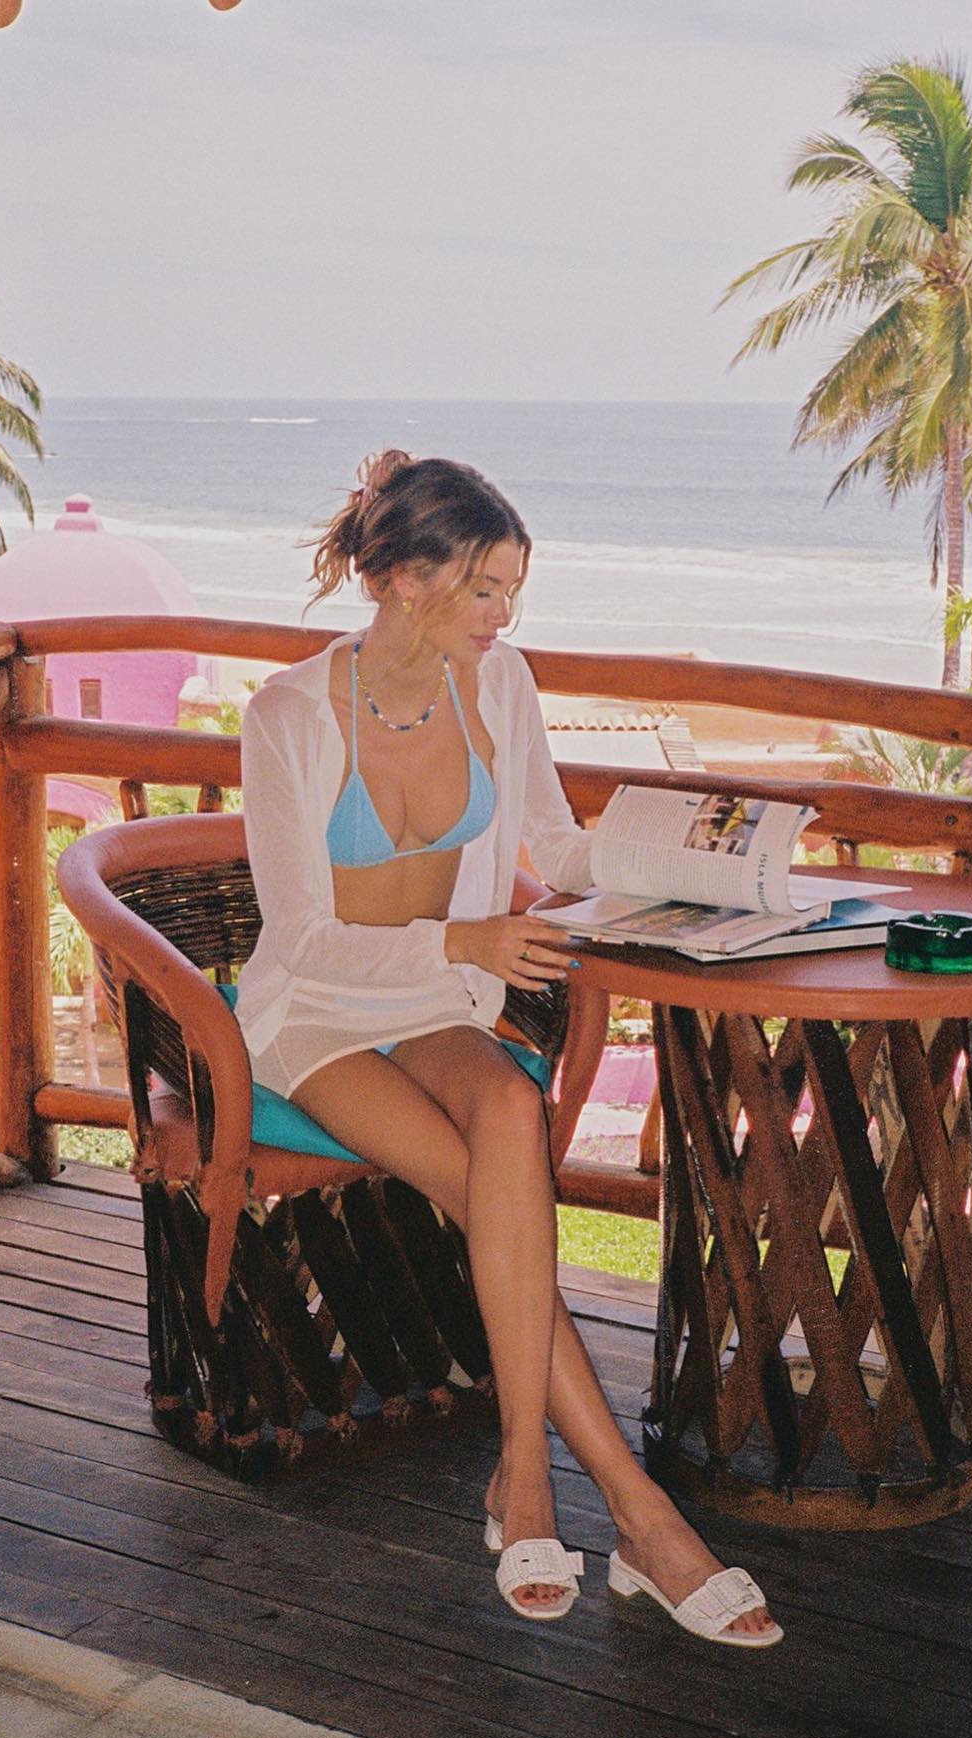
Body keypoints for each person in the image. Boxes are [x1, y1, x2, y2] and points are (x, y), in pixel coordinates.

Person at [234, 450, 780, 1646]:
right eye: (483, 589)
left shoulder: (502, 682)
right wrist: (466, 939)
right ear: (402, 578)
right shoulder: (286, 716)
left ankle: (529, 1471)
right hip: (316, 1015)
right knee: (497, 1191)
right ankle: (624, 1507)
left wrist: (696, 859)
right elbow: (302, 937)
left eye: (512, 591)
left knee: (510, 1119)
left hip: (439, 1004)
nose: (503, 616)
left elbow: (555, 842)